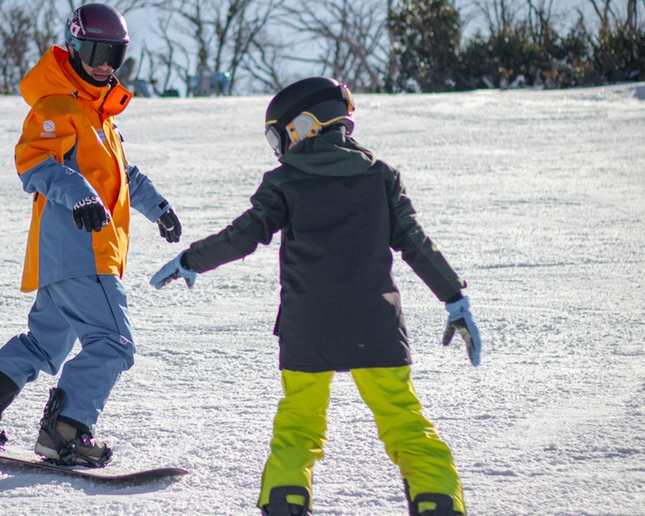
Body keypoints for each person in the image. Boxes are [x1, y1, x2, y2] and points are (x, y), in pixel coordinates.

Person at [150, 77, 481, 515]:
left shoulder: (287, 181)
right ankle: (438, 502)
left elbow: (243, 235)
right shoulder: (380, 177)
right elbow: (416, 243)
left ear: (304, 126)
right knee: (404, 421)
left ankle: (285, 503)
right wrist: (454, 298)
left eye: (278, 135)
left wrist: (192, 259)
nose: (277, 146)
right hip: (374, 325)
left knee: (298, 426)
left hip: (309, 326)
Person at [0, 3, 182, 468]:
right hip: (82, 252)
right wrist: (81, 197)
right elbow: (34, 163)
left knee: (43, 344)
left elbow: (121, 174)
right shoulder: (57, 107)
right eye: (95, 50)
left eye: (114, 54)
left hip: (68, 258)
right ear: (73, 46)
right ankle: (67, 430)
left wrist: (159, 207)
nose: (104, 64)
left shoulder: (99, 118)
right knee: (112, 343)